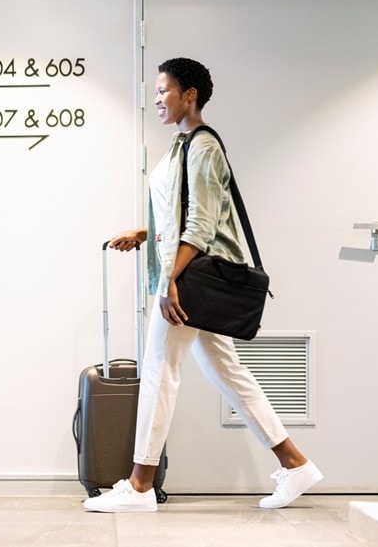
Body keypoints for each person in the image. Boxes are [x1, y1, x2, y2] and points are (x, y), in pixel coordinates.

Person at [83, 57, 322, 513]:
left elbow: (202, 224)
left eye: (163, 90)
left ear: (189, 94)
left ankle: (138, 487)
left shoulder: (203, 146)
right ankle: (294, 464)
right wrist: (143, 233)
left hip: (189, 279)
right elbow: (178, 215)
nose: (156, 99)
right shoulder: (182, 145)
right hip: (188, 274)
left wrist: (168, 279)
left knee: (159, 370)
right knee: (226, 372)